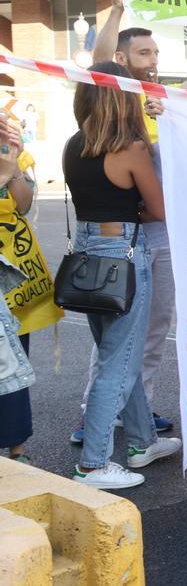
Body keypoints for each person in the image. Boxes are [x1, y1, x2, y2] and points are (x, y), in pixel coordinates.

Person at [70, 0, 187, 444]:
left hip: (155, 234)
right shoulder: (115, 99)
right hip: (130, 231)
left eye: (156, 53)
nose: (154, 61)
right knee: (117, 335)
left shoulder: (160, 99)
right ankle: (98, 414)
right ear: (124, 62)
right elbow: (100, 61)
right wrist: (114, 11)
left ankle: (139, 415)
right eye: (145, 54)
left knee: (147, 333)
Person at [64, 62, 182, 489]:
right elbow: (159, 208)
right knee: (120, 360)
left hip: (87, 250)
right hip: (125, 251)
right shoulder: (130, 148)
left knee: (117, 351)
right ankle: (93, 464)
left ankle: (141, 441)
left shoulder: (73, 144)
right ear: (122, 96)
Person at [0, 119, 36, 464]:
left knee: (14, 348)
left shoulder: (11, 154)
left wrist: (13, 166)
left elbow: (23, 205)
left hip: (10, 269)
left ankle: (16, 446)